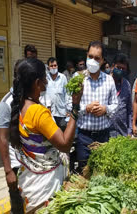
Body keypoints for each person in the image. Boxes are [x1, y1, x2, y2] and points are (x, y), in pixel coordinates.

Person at [9, 58, 82, 212]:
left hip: (30, 181)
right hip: (45, 185)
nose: (47, 81)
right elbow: (64, 144)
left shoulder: (20, 105)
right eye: (45, 77)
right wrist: (75, 106)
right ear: (37, 83)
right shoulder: (38, 112)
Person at [75, 41, 118, 172]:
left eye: (97, 58)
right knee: (84, 172)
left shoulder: (109, 80)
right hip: (84, 137)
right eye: (90, 57)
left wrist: (105, 109)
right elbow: (69, 105)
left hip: (103, 137)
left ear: (103, 60)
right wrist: (86, 108)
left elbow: (115, 105)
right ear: (86, 55)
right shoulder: (78, 78)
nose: (93, 60)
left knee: (101, 173)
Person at [0, 60, 25, 213]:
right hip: (16, 167)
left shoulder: (29, 101)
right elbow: (2, 139)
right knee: (18, 206)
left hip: (31, 166)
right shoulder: (5, 105)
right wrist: (8, 171)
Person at [110, 53, 132, 137]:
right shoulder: (105, 83)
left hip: (122, 132)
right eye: (118, 67)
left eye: (123, 69)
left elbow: (129, 110)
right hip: (106, 133)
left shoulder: (127, 85)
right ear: (113, 66)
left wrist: (129, 130)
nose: (120, 70)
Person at [43, 57, 69, 131]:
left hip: (62, 112)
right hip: (50, 113)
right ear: (48, 67)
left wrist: (68, 110)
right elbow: (44, 94)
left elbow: (67, 94)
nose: (53, 67)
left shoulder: (63, 77)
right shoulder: (45, 79)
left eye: (55, 65)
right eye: (51, 66)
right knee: (51, 134)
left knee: (62, 133)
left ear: (57, 66)